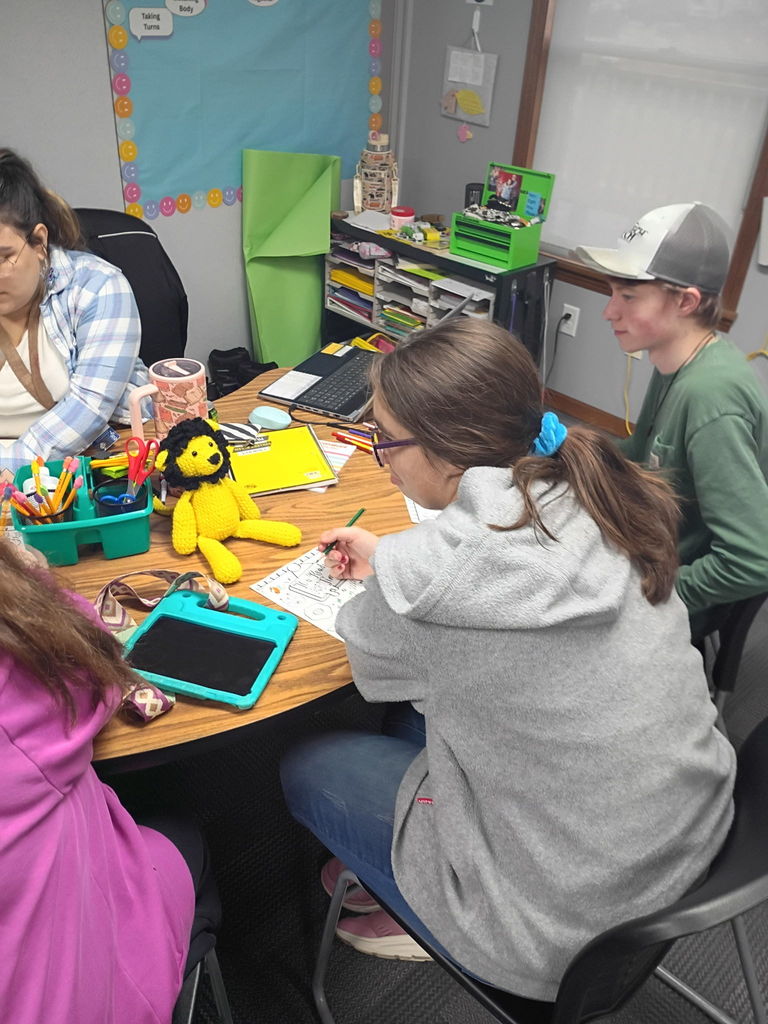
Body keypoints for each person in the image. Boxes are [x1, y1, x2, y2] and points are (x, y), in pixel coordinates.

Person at [280, 318, 736, 1002]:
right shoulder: (598, 490)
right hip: (684, 840)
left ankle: (428, 911)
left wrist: (395, 573)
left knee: (306, 764)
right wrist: (396, 564)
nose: (380, 456)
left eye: (384, 439)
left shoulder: (437, 578)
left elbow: (373, 665)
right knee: (429, 714)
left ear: (441, 454)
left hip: (556, 927)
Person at [0, 539, 200, 1024]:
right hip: (88, 993)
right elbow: (85, 651)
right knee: (180, 820)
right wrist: (30, 587)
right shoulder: (25, 689)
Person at [574, 202, 768, 638]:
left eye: (627, 296)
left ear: (686, 301)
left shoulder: (710, 398)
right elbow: (643, 455)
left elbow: (754, 559)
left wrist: (655, 597)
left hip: (667, 588)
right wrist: (571, 457)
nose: (610, 312)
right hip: (649, 542)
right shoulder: (675, 361)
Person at [0, 148, 149, 477]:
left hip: (97, 461)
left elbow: (89, 408)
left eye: (2, 257)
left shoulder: (98, 287)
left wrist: (11, 466)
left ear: (39, 243)